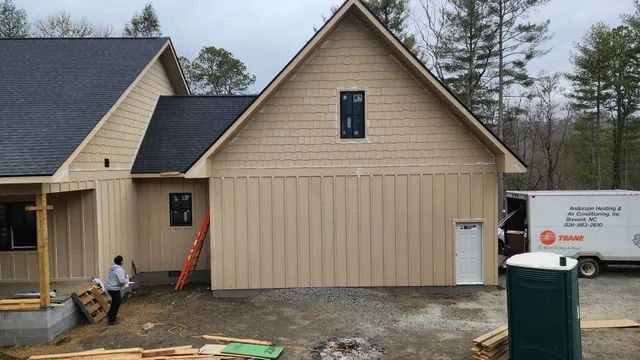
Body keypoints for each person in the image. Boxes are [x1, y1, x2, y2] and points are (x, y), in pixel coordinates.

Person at [106, 255, 129, 325]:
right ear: (121, 262)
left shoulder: (113, 268)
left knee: (114, 302)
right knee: (117, 303)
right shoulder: (119, 270)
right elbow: (121, 281)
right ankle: (112, 320)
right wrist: (127, 279)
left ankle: (110, 315)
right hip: (114, 289)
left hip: (110, 288)